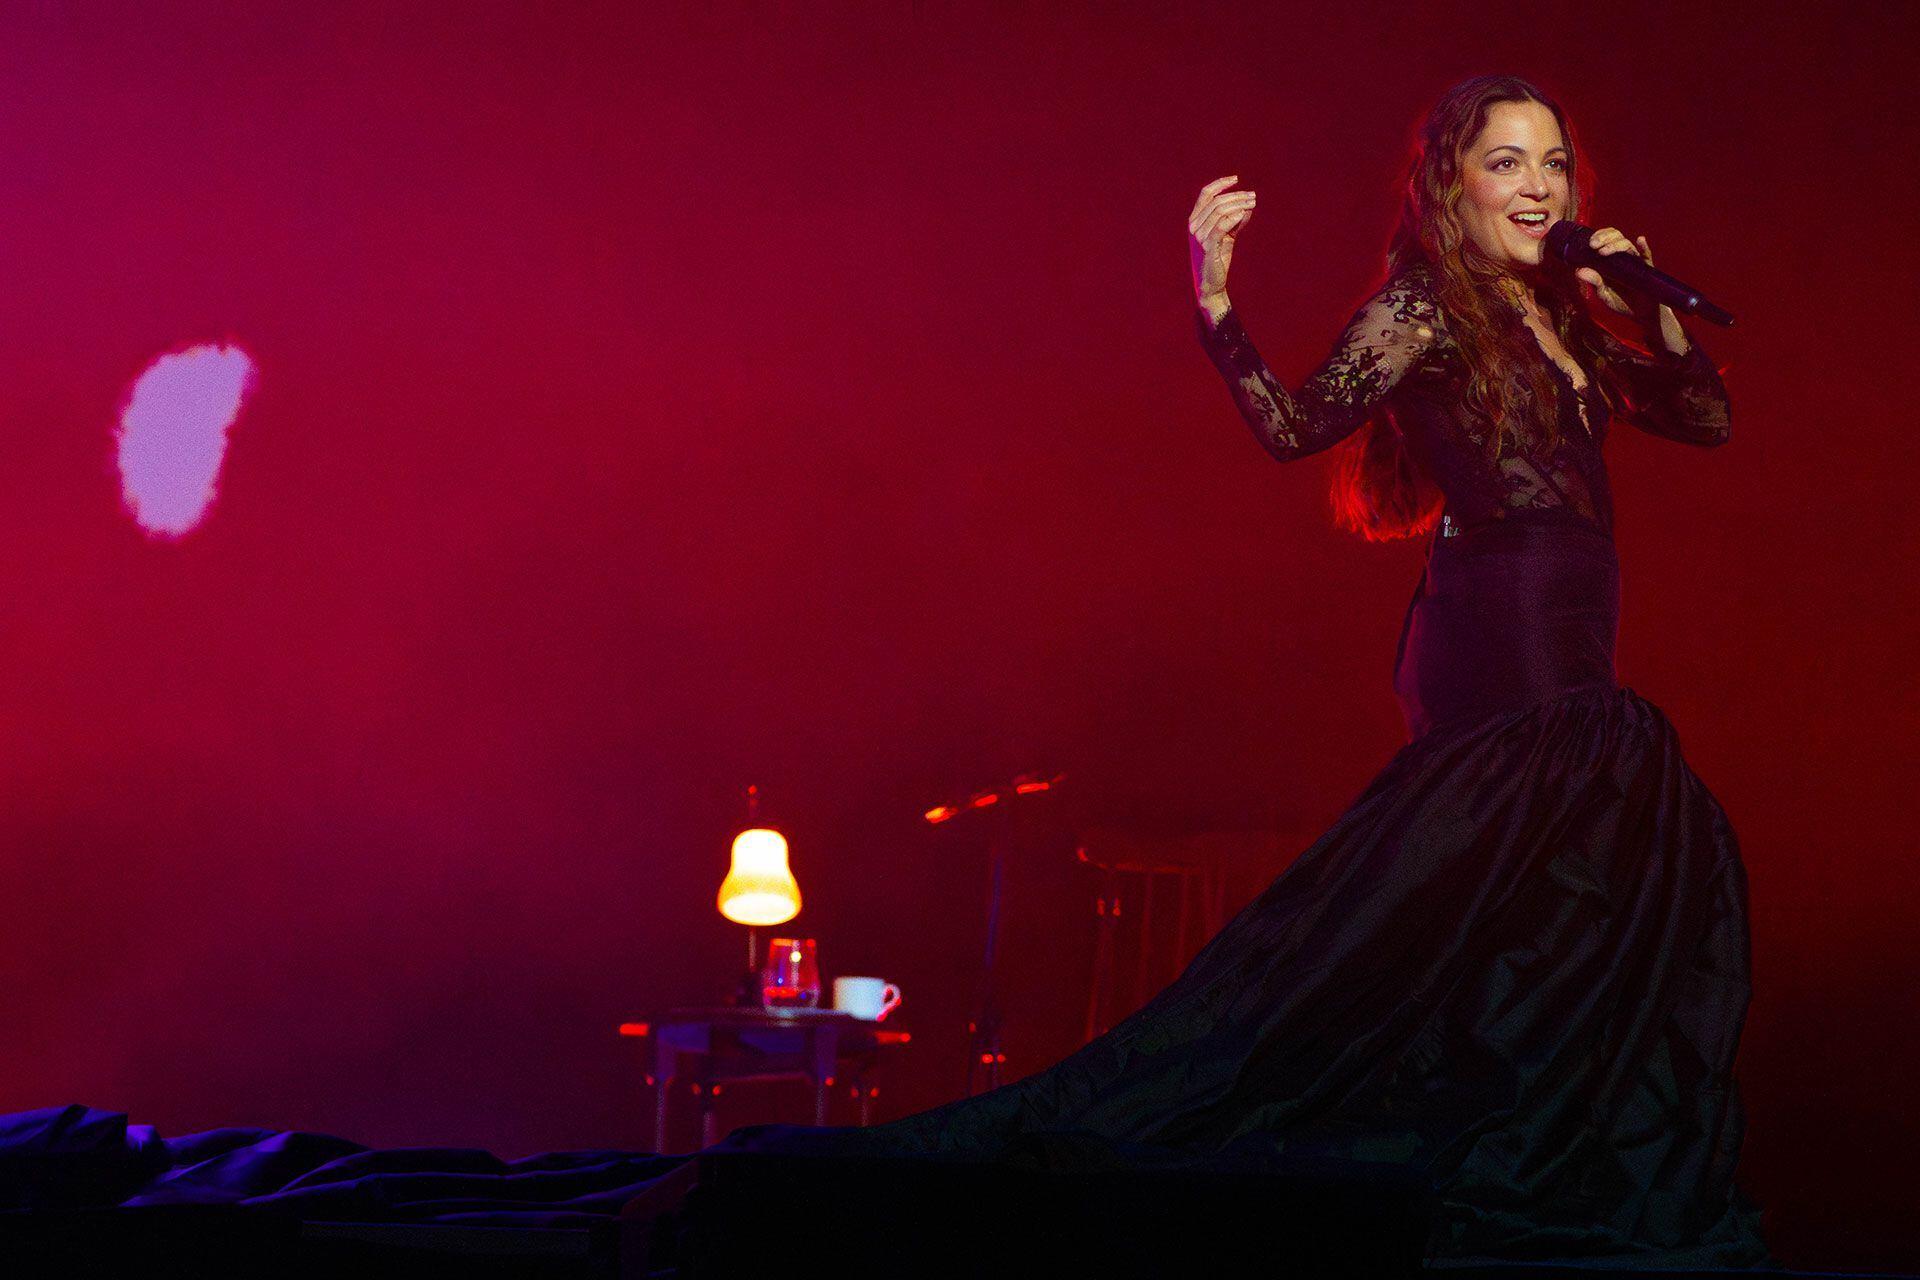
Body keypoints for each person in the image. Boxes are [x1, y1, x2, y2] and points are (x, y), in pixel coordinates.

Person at [718, 75, 1770, 1268]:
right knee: (1492, 885)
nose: (1538, 187)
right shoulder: (1425, 307)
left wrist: (1646, 302)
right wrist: (1218, 308)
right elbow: (1295, 424)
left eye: (1553, 165)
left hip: (1577, 640)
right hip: (1501, 635)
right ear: (1452, 183)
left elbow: (1704, 420)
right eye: (1507, 163)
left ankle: (1512, 1143)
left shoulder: (1568, 314)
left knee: (1555, 907)